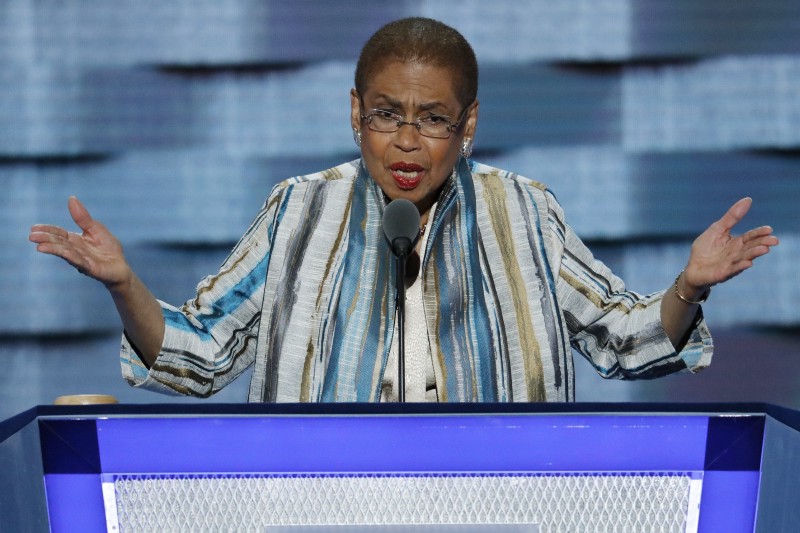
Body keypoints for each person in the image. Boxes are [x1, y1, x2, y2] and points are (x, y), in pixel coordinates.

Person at [28, 17, 778, 403]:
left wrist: (689, 286)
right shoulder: (298, 211)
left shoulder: (523, 210)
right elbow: (200, 354)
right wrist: (123, 284)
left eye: (434, 118)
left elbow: (622, 339)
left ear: (470, 124)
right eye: (387, 114)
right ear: (354, 113)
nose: (408, 141)